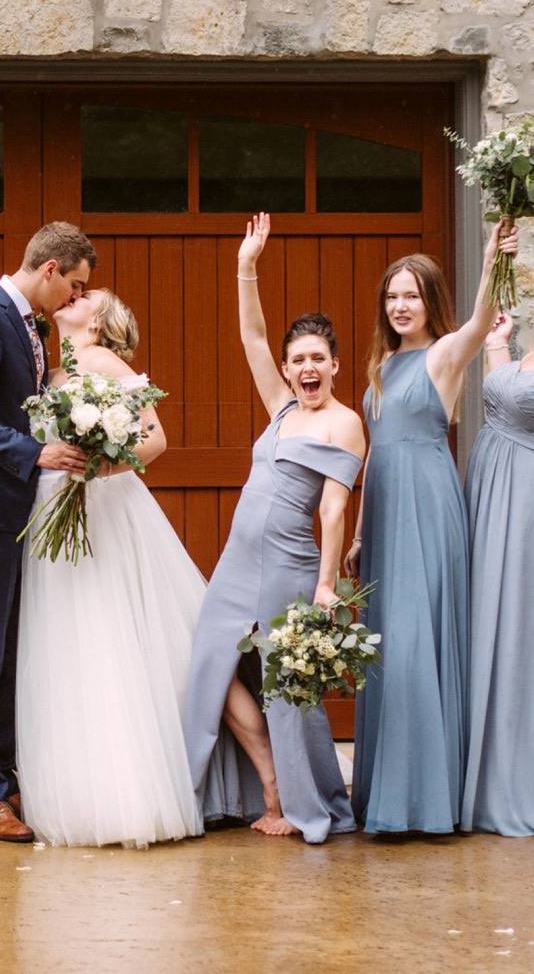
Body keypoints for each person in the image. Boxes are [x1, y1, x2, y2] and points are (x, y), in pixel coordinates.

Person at [183, 213, 364, 844]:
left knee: (289, 694)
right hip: (236, 563)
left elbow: (334, 510)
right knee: (211, 666)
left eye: (318, 358)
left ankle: (306, 801)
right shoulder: (282, 406)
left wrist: (323, 587)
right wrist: (247, 267)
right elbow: (253, 338)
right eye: (298, 360)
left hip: (289, 566)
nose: (306, 368)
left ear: (335, 365)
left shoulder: (344, 423)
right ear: (288, 370)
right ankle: (267, 785)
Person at [16, 286, 206, 848]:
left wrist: (100, 468)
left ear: (98, 320)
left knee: (100, 639)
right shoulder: (52, 371)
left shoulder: (99, 360)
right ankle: (71, 787)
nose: (71, 297)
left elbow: (154, 437)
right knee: (63, 648)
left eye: (83, 295)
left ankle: (123, 795)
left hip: (97, 509)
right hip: (52, 505)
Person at [347, 219, 517, 836]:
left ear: (430, 302)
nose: (400, 306)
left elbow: (478, 324)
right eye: (392, 296)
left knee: (420, 645)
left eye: (411, 295)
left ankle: (424, 802)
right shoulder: (381, 363)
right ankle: (387, 796)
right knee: (389, 649)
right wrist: (361, 530)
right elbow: (372, 452)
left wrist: (492, 261)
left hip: (429, 503)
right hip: (386, 512)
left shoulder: (444, 354)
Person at [0, 221, 95, 843]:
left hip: (20, 512)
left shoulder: (28, 324)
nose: (77, 300)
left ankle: (3, 777)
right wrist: (37, 452)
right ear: (51, 269)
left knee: (7, 652)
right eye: (76, 285)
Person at [459, 311, 534, 836]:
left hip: (524, 498)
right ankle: (480, 766)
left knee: (516, 624)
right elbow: (508, 400)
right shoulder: (524, 344)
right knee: (487, 614)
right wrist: (497, 345)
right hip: (491, 490)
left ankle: (510, 777)